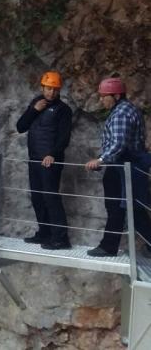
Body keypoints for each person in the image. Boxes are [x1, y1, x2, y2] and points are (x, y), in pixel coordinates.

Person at [84, 76, 151, 257]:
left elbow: (118, 143)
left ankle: (108, 247)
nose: (101, 99)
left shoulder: (121, 113)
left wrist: (101, 159)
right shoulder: (128, 109)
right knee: (133, 210)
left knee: (116, 207)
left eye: (104, 96)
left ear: (117, 95)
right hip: (129, 167)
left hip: (121, 167)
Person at [15, 71, 73, 250]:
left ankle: (61, 238)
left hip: (50, 160)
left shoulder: (63, 110)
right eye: (49, 89)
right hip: (34, 158)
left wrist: (52, 154)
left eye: (55, 90)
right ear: (42, 87)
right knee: (37, 198)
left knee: (51, 197)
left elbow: (64, 137)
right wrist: (34, 110)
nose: (51, 93)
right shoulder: (36, 103)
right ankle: (44, 232)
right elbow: (20, 127)